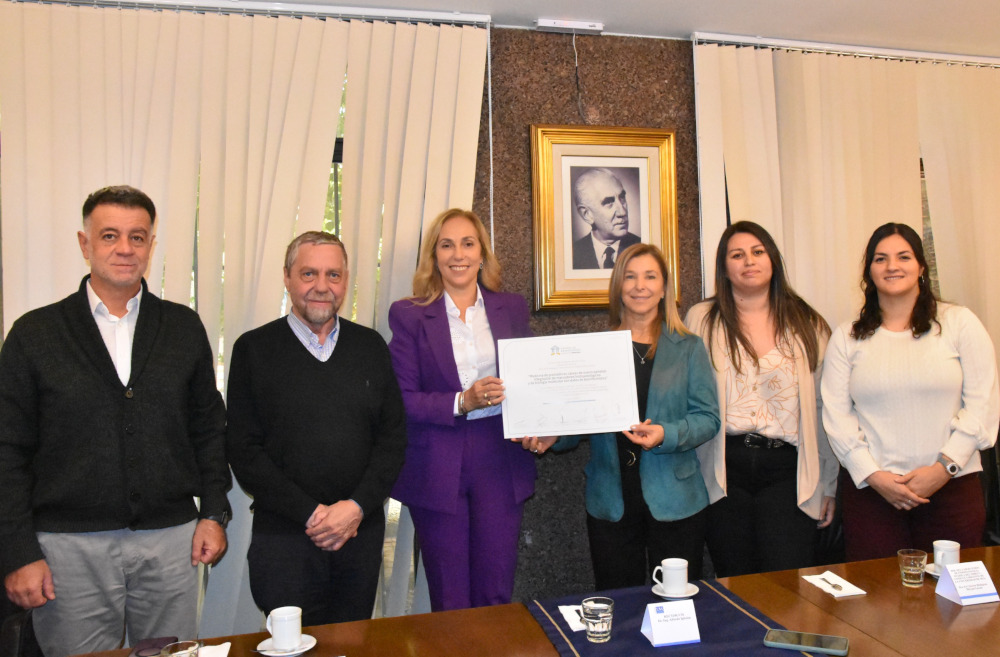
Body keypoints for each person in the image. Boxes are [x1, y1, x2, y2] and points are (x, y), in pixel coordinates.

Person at [0, 185, 231, 657]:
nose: (125, 248)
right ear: (85, 244)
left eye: (137, 237)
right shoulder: (34, 334)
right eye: (110, 235)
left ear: (150, 245)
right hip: (68, 548)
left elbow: (208, 430)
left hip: (170, 542)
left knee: (172, 654)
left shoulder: (182, 328)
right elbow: (7, 451)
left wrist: (213, 513)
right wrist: (19, 552)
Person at [226, 231, 407, 625]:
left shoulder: (371, 347)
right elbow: (243, 449)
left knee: (351, 644)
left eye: (333, 275)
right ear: (287, 277)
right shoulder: (253, 350)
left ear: (345, 281)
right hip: (285, 538)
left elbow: (392, 439)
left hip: (358, 535)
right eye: (309, 274)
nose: (322, 286)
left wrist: (356, 508)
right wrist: (311, 514)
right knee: (292, 648)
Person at [528, 243, 719, 588]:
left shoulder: (689, 347)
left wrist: (666, 434)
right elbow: (580, 418)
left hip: (675, 500)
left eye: (650, 277)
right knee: (618, 604)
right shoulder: (594, 349)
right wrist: (553, 435)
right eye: (630, 277)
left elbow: (708, 418)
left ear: (664, 288)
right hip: (611, 499)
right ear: (618, 286)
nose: (639, 286)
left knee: (677, 603)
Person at [388, 208, 540, 611]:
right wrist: (462, 401)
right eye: (447, 245)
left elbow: (532, 379)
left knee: (495, 588)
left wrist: (545, 424)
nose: (458, 254)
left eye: (468, 244)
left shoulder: (511, 307)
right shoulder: (409, 314)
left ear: (482, 253)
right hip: (438, 461)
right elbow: (401, 399)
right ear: (433, 256)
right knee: (450, 594)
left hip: (500, 454)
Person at [821, 222, 999, 561]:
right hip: (873, 495)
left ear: (921, 267)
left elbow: (983, 405)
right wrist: (874, 476)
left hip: (952, 488)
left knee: (950, 590)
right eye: (880, 259)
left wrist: (943, 469)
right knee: (876, 592)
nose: (892, 266)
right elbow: (836, 417)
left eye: (903, 257)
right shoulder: (847, 337)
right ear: (869, 271)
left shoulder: (959, 323)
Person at [686, 221, 837, 577]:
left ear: (773, 260)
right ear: (724, 267)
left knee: (787, 583)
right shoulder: (702, 319)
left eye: (757, 252)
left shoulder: (808, 323)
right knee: (735, 580)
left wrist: (829, 484)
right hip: (724, 472)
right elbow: (687, 396)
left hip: (788, 473)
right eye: (737, 255)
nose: (748, 261)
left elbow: (824, 409)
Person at [571, 168, 642, 269]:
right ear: (587, 214)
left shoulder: (642, 249)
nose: (622, 212)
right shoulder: (572, 255)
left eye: (622, 198)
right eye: (608, 202)